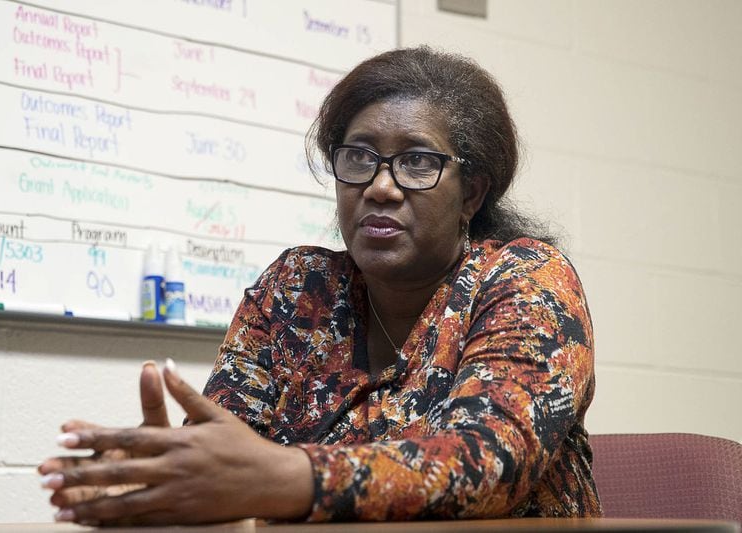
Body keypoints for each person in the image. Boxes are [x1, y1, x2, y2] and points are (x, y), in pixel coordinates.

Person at [39, 46, 602, 525]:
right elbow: (223, 462)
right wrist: (155, 487)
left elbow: (488, 465)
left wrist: (286, 476)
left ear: (472, 194)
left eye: (416, 161)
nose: (381, 187)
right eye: (358, 157)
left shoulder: (525, 279)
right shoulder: (298, 290)